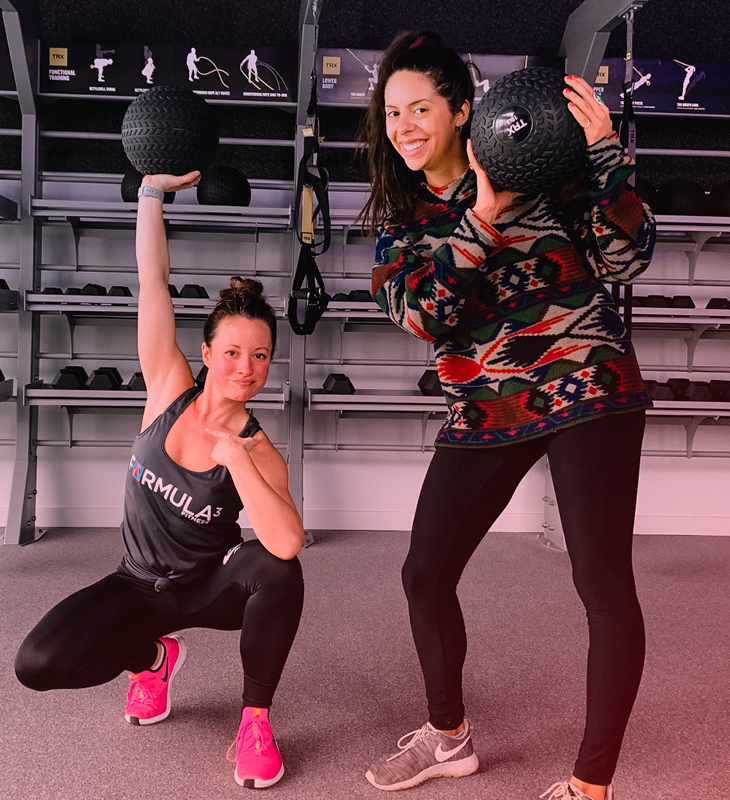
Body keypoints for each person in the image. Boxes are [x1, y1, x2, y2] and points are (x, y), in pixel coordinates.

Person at [359, 31, 655, 800]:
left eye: (420, 107)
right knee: (424, 573)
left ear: (461, 110)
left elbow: (629, 259)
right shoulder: (402, 221)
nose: (405, 126)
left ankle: (592, 784)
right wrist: (481, 219)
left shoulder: (544, 172)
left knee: (600, 578)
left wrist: (603, 156)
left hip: (587, 384)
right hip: (487, 407)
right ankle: (449, 738)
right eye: (393, 112)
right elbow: (428, 316)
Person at [14, 171, 305, 790]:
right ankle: (154, 659)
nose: (245, 368)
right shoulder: (167, 387)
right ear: (205, 353)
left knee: (280, 574)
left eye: (259, 356)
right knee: (37, 663)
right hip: (136, 583)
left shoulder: (260, 449)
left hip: (206, 589)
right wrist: (150, 194)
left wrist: (238, 460)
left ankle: (255, 721)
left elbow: (284, 545)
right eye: (231, 352)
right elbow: (153, 280)